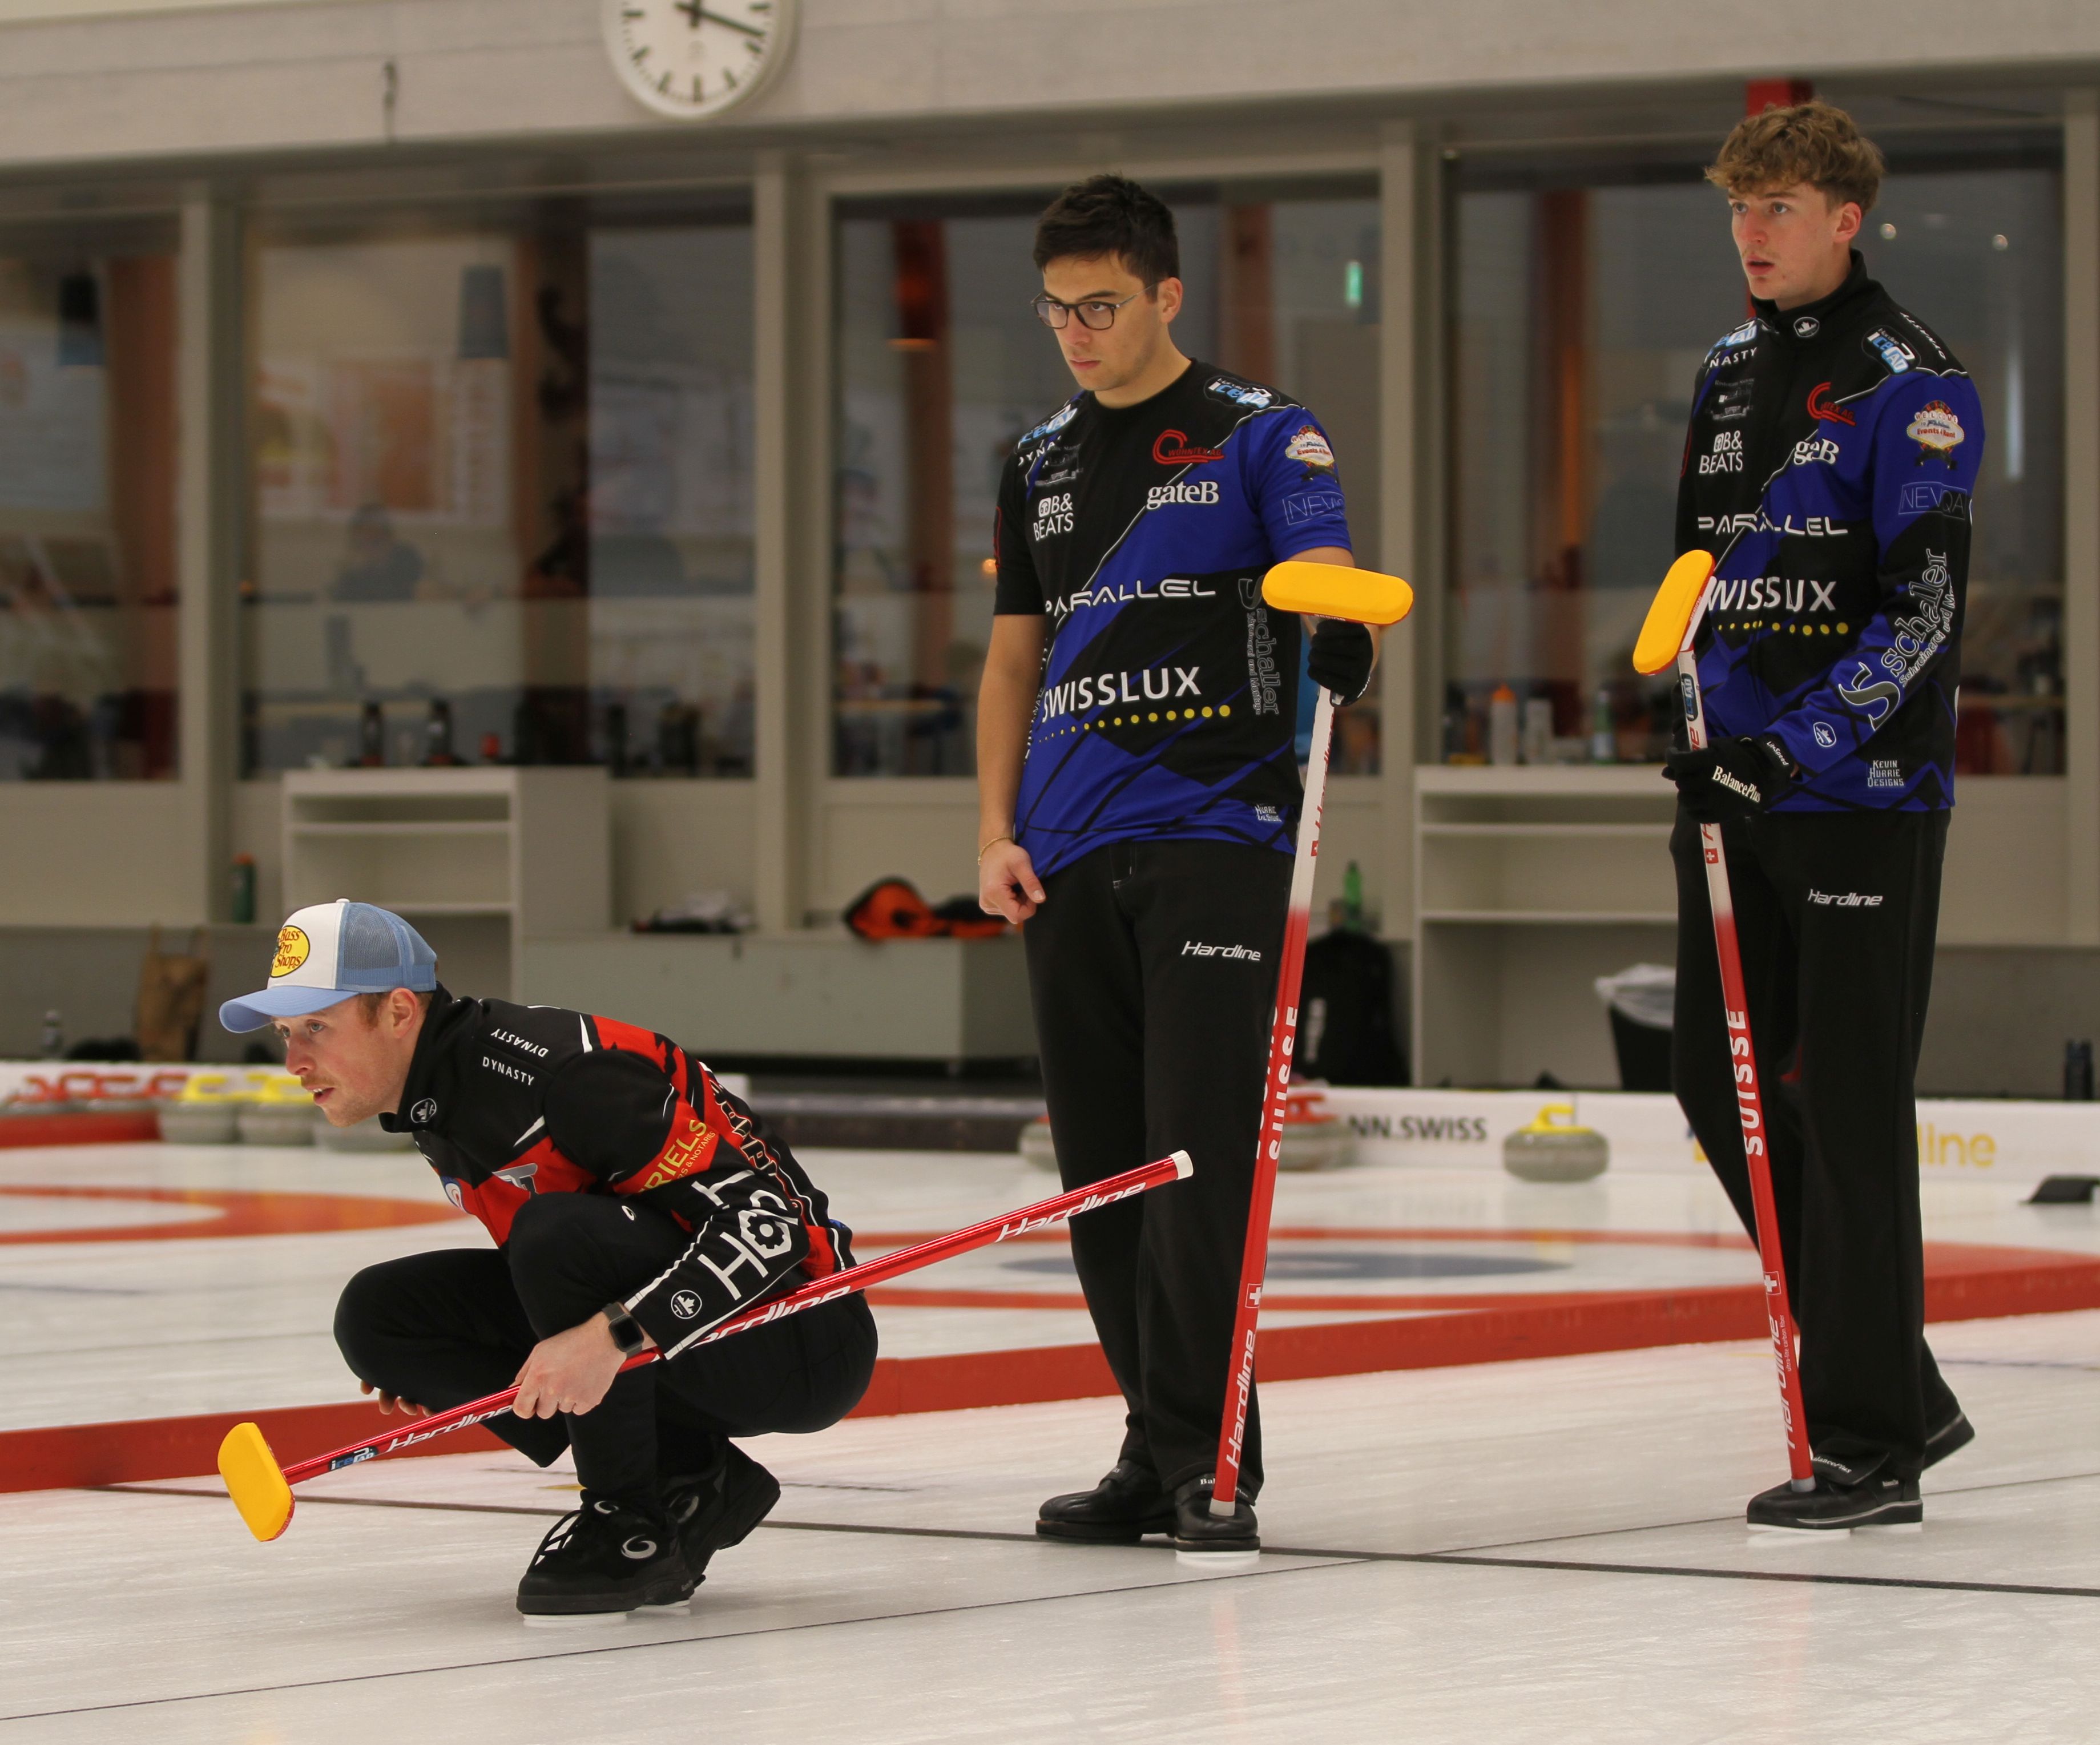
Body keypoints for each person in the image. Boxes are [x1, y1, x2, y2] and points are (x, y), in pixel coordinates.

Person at [975, 175, 1376, 1554]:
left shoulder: (1261, 432)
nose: (1076, 333)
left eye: (1100, 306)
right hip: (1066, 845)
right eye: (1056, 310)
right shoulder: (1037, 459)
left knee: (1197, 1161)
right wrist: (994, 830)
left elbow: (1328, 582)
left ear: (1166, 295)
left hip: (1219, 834)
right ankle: (1153, 1448)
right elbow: (1012, 662)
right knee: (1102, 1174)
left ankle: (1215, 1461)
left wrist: (1345, 643)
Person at [218, 900, 876, 1615]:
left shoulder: (559, 1077)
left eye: (317, 1028)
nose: (295, 1062)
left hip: (802, 1334)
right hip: (690, 1320)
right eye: (286, 1034)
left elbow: (767, 1228)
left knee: (556, 1234)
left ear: (399, 1012)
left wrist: (615, 1336)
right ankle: (692, 1476)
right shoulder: (435, 1095)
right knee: (383, 1318)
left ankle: (629, 1520)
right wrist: (452, 1358)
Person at [1664, 101, 1983, 1530]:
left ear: (1845, 220)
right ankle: (1894, 1377)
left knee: (1843, 1102)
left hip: (1859, 793)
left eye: (1777, 209)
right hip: (1725, 780)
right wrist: (1693, 718)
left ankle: (1870, 1443)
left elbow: (1923, 614)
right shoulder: (1729, 370)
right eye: (1738, 208)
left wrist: (1791, 746)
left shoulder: (1917, 381)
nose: (1751, 233)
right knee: (1712, 1080)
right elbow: (1696, 572)